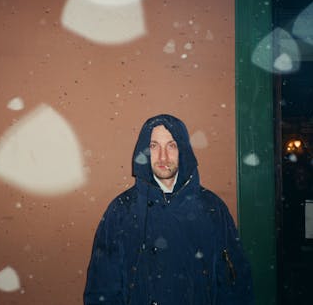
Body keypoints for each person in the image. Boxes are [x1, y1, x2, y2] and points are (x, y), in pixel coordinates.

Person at [84, 114, 254, 305]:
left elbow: (236, 285)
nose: (163, 156)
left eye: (171, 145)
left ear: (183, 150)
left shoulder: (212, 209)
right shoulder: (121, 211)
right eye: (154, 146)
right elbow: (102, 288)